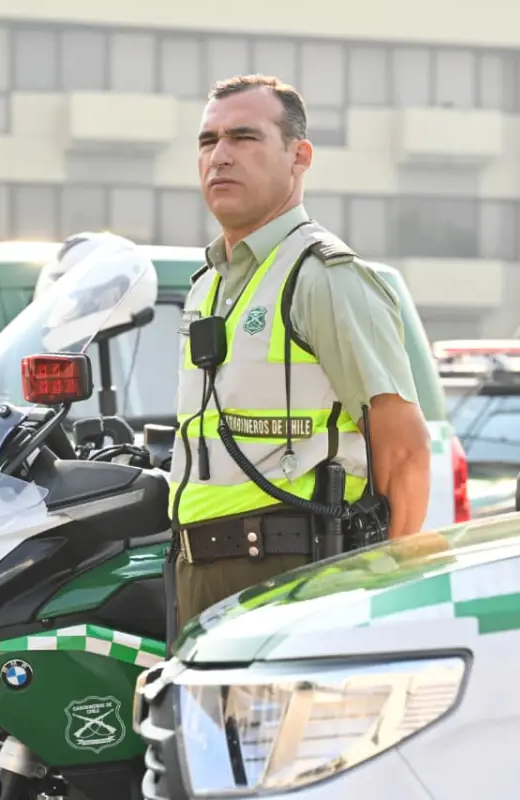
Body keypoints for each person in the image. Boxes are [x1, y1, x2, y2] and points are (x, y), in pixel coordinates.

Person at [166, 74, 432, 640]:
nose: (220, 156)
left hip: (294, 572)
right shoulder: (208, 283)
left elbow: (405, 449)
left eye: (244, 138)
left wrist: (389, 584)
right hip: (199, 568)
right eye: (208, 141)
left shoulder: (325, 278)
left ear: (299, 156)